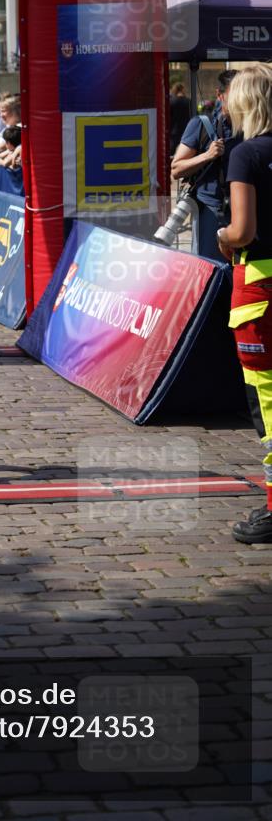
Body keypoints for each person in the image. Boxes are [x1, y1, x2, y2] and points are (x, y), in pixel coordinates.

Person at [215, 64, 272, 544]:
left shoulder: (245, 154)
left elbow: (242, 232)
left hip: (259, 291)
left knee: (268, 404)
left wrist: (220, 235)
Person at [171, 70, 239, 259]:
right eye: (235, 95)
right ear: (220, 94)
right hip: (211, 212)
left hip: (244, 211)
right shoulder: (202, 124)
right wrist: (207, 155)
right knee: (211, 273)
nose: (240, 101)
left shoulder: (252, 126)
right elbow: (176, 169)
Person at [169, 82, 191, 155]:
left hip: (174, 131)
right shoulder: (189, 101)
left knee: (171, 153)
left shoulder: (171, 102)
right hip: (187, 131)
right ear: (182, 90)